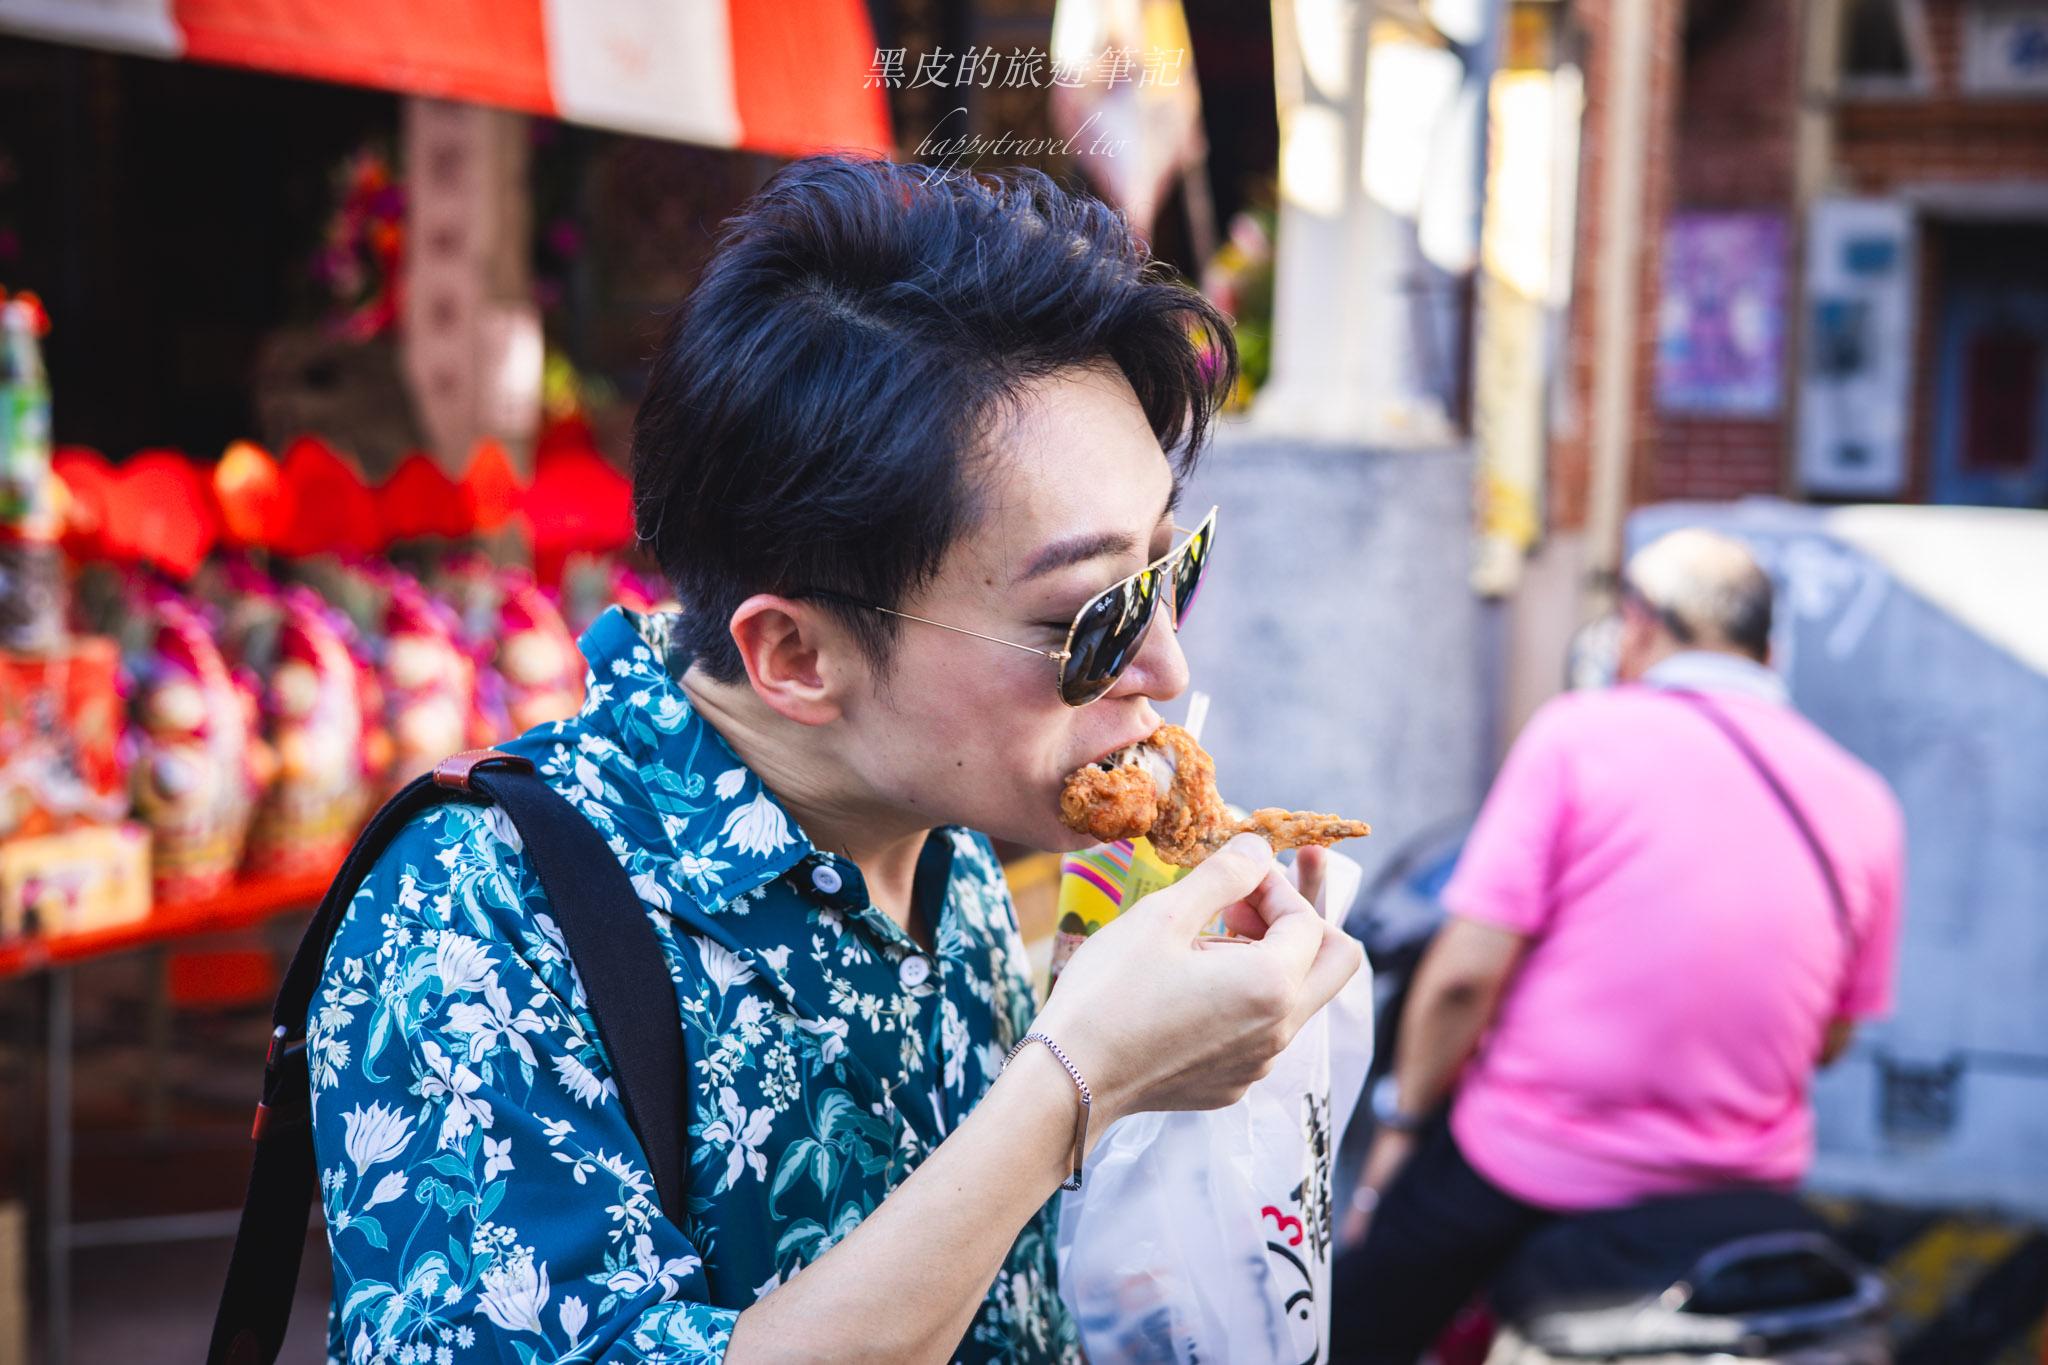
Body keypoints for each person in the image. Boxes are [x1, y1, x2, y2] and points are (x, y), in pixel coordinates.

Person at [309, 155, 1361, 1365]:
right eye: (1091, 618)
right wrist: (1075, 1088)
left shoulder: (942, 840)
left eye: (1170, 572)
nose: (1166, 669)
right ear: (797, 656)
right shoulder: (477, 915)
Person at [1328, 528, 1904, 1364]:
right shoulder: (1865, 799)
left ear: (1637, 625)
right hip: (1739, 1190)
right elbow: (1830, 1036)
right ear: (1769, 649)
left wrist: (1400, 1126)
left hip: (1532, 1166)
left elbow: (1464, 979)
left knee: (1353, 1333)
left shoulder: (1577, 735)